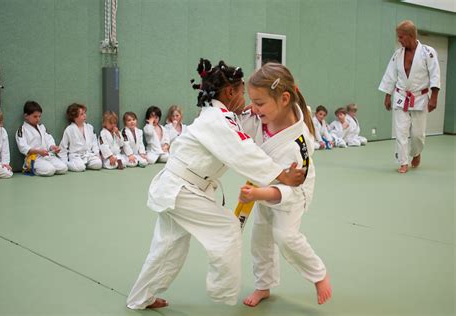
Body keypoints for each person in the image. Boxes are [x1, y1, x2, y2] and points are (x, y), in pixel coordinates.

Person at [126, 59, 306, 310]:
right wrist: (281, 175)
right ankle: (222, 292)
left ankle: (139, 298)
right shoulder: (218, 119)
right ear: (229, 92)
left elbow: (240, 134)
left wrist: (254, 115)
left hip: (176, 187)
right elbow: (242, 150)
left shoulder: (219, 116)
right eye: (243, 93)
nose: (246, 100)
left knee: (168, 246)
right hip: (181, 189)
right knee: (227, 228)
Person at [238, 62, 331, 307]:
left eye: (259, 103)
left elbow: (288, 189)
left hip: (293, 193)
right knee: (261, 238)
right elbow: (234, 127)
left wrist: (257, 193)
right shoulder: (263, 117)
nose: (254, 109)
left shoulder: (296, 145)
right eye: (253, 102)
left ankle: (318, 275)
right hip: (266, 185)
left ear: (284, 99)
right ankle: (263, 286)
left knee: (284, 236)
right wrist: (242, 110)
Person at [378, 20, 440, 173]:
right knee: (401, 131)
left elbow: (435, 74)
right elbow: (390, 75)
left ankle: (416, 152)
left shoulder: (428, 52)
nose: (399, 40)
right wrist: (388, 96)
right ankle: (403, 162)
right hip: (401, 96)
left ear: (411, 36)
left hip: (420, 97)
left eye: (401, 37)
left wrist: (434, 97)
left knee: (417, 135)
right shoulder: (398, 54)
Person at [15, 101, 67, 176]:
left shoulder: (42, 127)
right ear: (26, 116)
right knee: (50, 170)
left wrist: (53, 147)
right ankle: (29, 168)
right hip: (34, 158)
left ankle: (46, 165)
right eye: (35, 116)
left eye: (39, 116)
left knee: (63, 168)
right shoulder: (22, 130)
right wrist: (38, 151)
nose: (38, 119)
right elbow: (23, 147)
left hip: (47, 155)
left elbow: (49, 139)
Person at [58, 103, 102, 172]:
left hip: (88, 155)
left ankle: (85, 164)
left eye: (84, 113)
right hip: (76, 156)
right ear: (74, 117)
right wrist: (64, 162)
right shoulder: (69, 129)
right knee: (80, 167)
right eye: (82, 114)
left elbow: (94, 142)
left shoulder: (89, 127)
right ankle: (69, 164)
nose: (85, 115)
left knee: (98, 164)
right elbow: (63, 147)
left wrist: (97, 154)